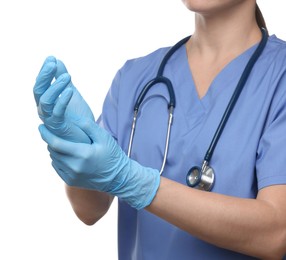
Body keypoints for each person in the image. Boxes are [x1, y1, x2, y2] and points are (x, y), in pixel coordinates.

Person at [33, 0, 286, 259]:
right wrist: (77, 146)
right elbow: (89, 211)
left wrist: (140, 184)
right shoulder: (134, 78)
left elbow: (276, 234)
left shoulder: (280, 76)